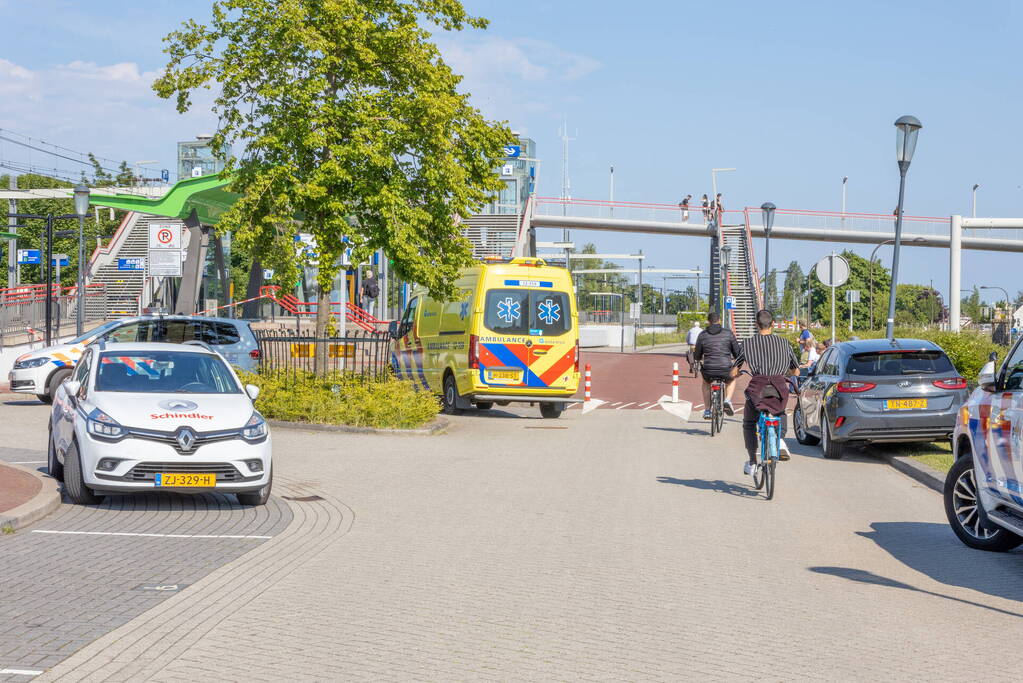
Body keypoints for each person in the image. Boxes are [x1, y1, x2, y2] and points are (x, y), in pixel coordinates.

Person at [733, 309, 800, 475]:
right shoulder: (785, 343)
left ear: (757, 325)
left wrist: (736, 374)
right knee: (780, 410)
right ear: (772, 324)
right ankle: (781, 440)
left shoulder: (747, 344)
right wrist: (787, 373)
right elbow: (796, 371)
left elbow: (734, 369)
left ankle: (752, 462)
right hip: (778, 386)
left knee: (749, 423)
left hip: (758, 387)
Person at [693, 311, 741, 420]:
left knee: (706, 383)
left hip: (709, 369)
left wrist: (698, 359)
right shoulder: (728, 333)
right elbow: (737, 353)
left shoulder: (703, 335)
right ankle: (727, 400)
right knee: (731, 380)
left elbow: (697, 355)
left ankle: (707, 410)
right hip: (725, 368)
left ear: (708, 322)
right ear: (719, 321)